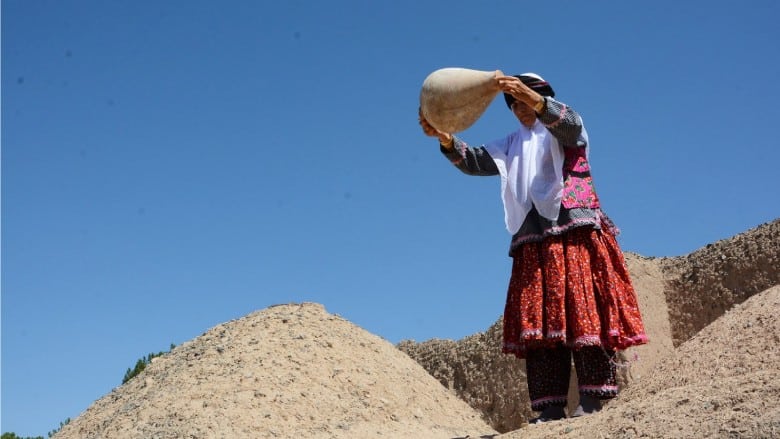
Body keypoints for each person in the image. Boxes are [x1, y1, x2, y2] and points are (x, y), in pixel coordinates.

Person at [419, 72, 648, 423]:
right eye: (513, 106)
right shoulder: (513, 143)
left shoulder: (564, 125)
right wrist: (446, 138)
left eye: (524, 102)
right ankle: (551, 405)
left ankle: (593, 398)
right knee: (538, 322)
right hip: (533, 241)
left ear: (538, 97)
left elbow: (570, 126)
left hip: (572, 233)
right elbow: (476, 160)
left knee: (582, 308)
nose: (519, 110)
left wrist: (534, 98)